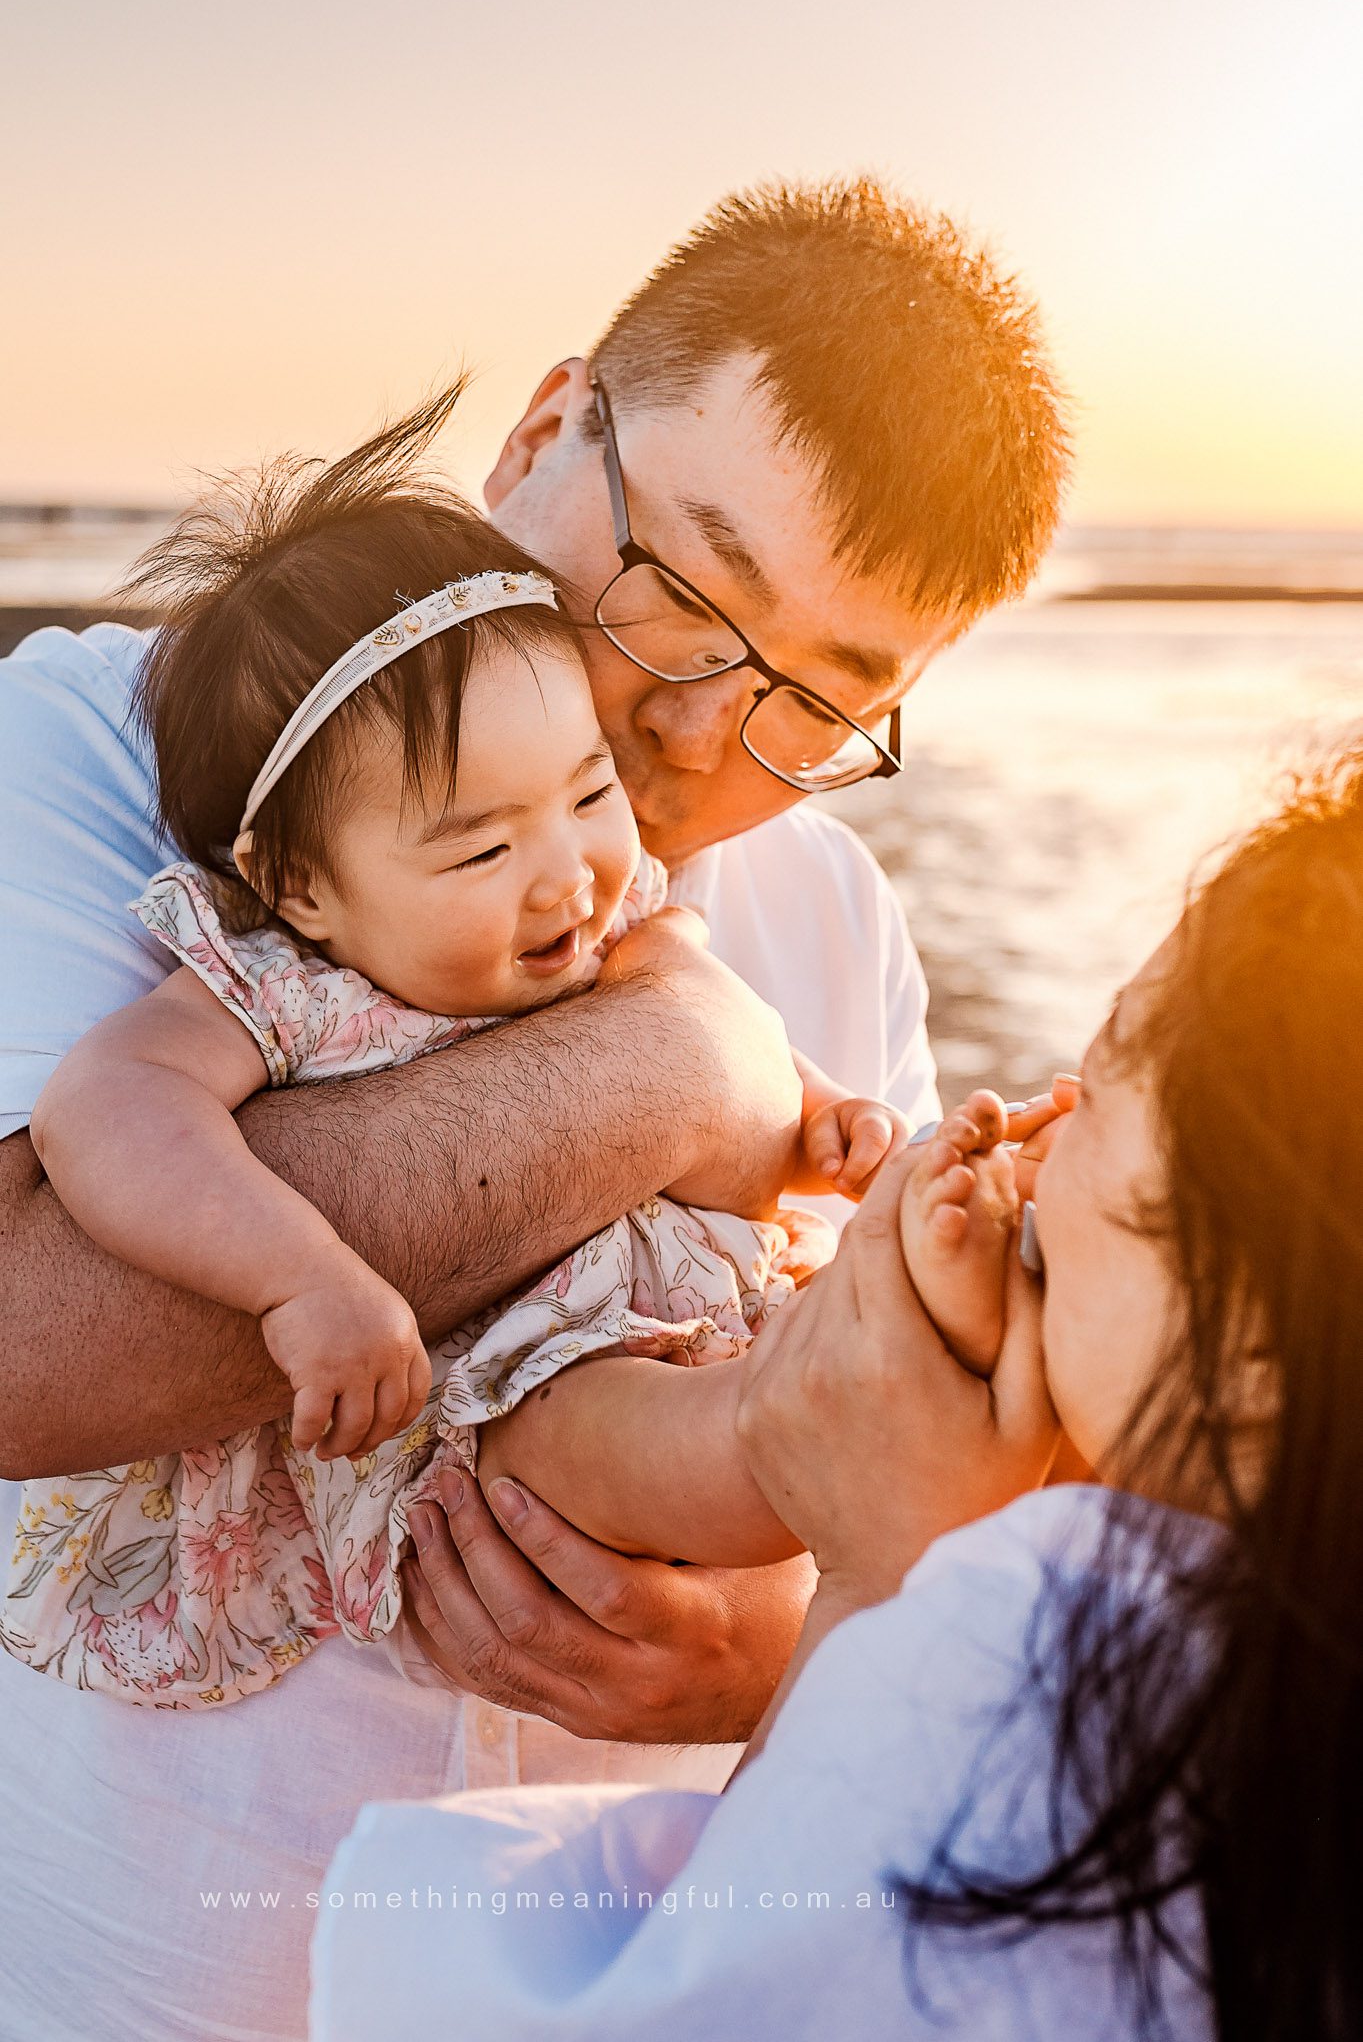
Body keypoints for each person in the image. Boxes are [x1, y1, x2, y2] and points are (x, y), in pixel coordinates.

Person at [0, 179, 1068, 2038]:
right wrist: (674, 1069)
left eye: (816, 703)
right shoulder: (108, 746)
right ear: (547, 426)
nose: (698, 738)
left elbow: (902, 1495)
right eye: (681, 594)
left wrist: (776, 1646)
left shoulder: (830, 914)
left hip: (576, 1979)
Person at [314, 745, 1363, 2042]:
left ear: (1260, 1335)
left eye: (1114, 1071)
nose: (1048, 1125)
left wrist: (877, 1581)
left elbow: (682, 2009)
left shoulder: (1030, 1658)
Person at [12, 397, 913, 1709]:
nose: (568, 877)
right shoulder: (279, 984)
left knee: (812, 1353)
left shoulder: (644, 916)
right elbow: (111, 1107)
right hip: (526, 1401)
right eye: (481, 849)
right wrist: (300, 1280)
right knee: (588, 1434)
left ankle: (863, 1423)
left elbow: (743, 1045)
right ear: (305, 886)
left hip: (684, 1331)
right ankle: (804, 1440)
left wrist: (829, 1119)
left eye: (589, 794)